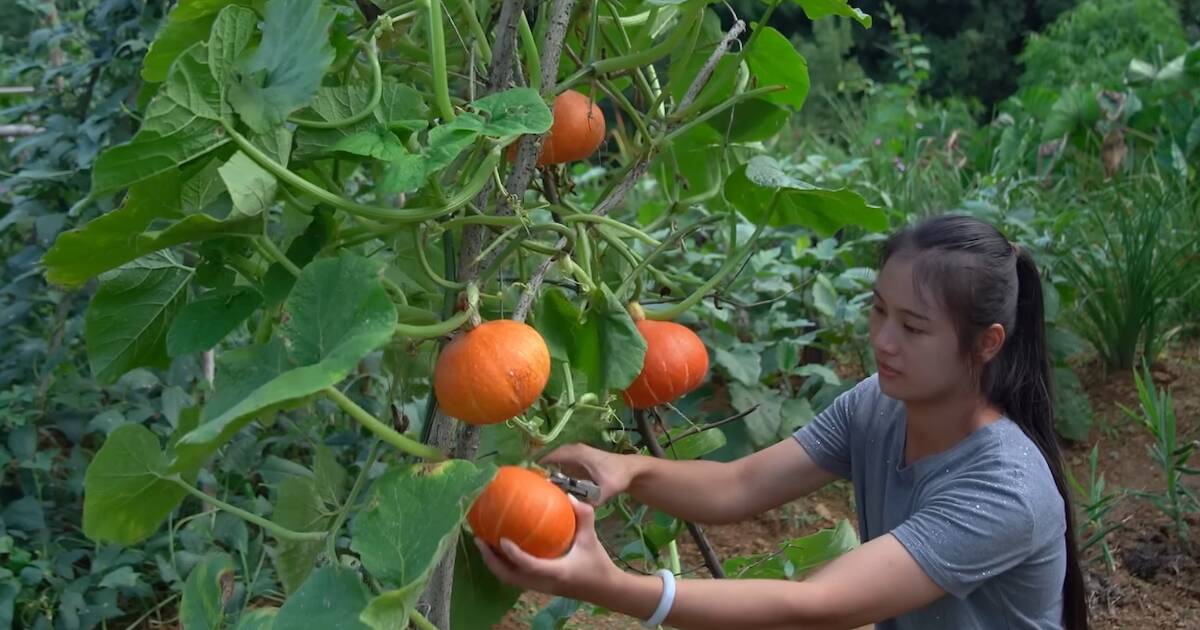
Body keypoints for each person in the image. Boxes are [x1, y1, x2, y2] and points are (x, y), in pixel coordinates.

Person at [475, 214, 1088, 630]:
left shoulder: (1006, 489)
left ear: (987, 343)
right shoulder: (879, 403)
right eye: (879, 310)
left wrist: (612, 587)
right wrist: (629, 470)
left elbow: (815, 607)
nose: (883, 339)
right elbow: (740, 486)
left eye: (914, 326)